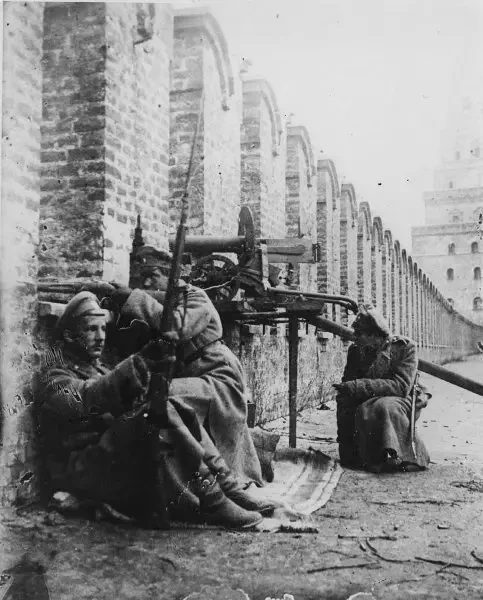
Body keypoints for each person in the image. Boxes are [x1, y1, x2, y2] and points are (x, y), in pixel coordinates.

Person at [36, 291, 266, 529]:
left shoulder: (98, 369)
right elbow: (89, 396)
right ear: (69, 336)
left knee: (173, 405)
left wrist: (151, 377)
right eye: (91, 329)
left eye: (103, 328)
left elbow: (117, 394)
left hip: (113, 457)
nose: (100, 337)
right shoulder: (54, 377)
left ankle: (227, 487)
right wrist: (137, 365)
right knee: (162, 409)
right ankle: (215, 502)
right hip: (85, 468)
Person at [109, 246, 265, 489]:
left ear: (170, 276)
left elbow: (176, 329)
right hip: (196, 373)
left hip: (218, 376)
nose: (147, 283)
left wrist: (134, 298)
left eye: (153, 276)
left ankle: (212, 479)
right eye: (143, 277)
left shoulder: (195, 297)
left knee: (166, 398)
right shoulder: (161, 301)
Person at [333, 304, 430, 473]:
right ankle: (363, 455)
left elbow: (401, 386)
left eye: (359, 334)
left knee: (381, 406)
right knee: (353, 402)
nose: (355, 337)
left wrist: (358, 386)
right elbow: (348, 384)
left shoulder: (405, 347)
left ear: (374, 335)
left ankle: (406, 456)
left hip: (405, 398)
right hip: (369, 397)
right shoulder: (355, 351)